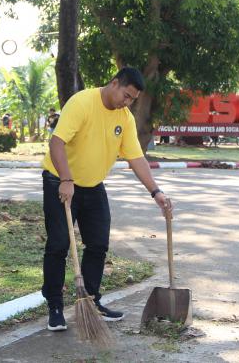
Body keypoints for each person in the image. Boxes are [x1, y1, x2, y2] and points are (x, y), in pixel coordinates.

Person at [41, 66, 171, 332]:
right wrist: (66, 179)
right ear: (114, 83)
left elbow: (136, 158)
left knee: (98, 244)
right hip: (60, 181)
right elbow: (57, 143)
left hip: (92, 185)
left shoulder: (125, 118)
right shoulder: (82, 103)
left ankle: (90, 300)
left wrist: (155, 192)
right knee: (58, 244)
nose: (128, 102)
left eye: (133, 99)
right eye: (126, 96)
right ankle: (54, 306)